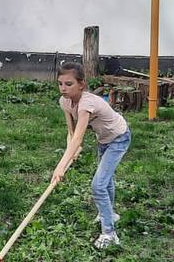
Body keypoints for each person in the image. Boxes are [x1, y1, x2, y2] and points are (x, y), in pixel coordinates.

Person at [50, 61, 131, 249]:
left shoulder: (86, 103)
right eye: (60, 83)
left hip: (119, 137)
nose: (63, 88)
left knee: (98, 185)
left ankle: (110, 234)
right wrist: (71, 150)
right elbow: (72, 134)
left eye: (69, 84)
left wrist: (61, 166)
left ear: (82, 84)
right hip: (103, 140)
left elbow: (79, 138)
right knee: (106, 180)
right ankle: (110, 214)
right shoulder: (64, 102)